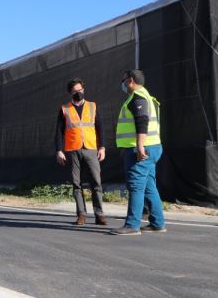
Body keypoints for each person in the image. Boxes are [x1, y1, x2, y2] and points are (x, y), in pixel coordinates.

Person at [111, 69, 166, 235]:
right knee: (149, 186)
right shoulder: (148, 96)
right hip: (153, 147)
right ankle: (157, 223)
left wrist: (140, 146)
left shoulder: (137, 98)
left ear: (130, 80)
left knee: (136, 186)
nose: (123, 84)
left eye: (124, 80)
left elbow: (142, 122)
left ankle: (132, 225)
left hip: (141, 148)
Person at [55, 78, 107, 226]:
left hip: (91, 148)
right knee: (76, 183)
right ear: (70, 93)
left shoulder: (92, 106)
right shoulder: (65, 109)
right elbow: (59, 132)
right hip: (73, 149)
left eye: (80, 90)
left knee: (96, 182)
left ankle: (99, 214)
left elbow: (100, 128)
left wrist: (102, 147)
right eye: (75, 91)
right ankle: (81, 214)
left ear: (83, 89)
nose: (79, 93)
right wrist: (59, 150)